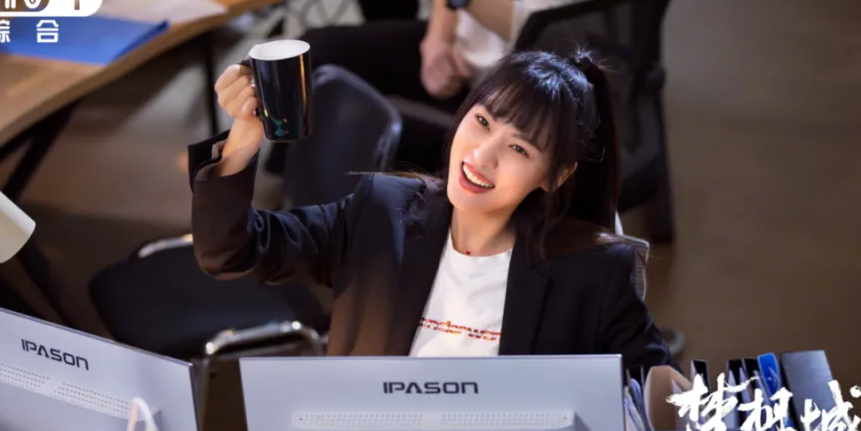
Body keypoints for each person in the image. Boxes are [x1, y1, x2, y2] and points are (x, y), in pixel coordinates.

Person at [189, 49, 672, 369]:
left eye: (519, 149)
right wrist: (242, 142)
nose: (481, 155)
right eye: (482, 121)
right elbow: (230, 252)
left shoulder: (593, 274)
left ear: (555, 176)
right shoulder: (381, 214)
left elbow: (662, 401)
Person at [264, 0, 583, 176]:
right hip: (460, 55)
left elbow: (549, 30)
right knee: (317, 53)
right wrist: (436, 43)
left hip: (510, 89)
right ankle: (281, 183)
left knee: (351, 128)